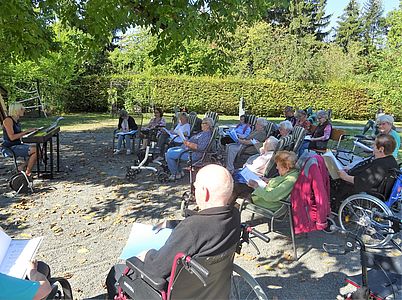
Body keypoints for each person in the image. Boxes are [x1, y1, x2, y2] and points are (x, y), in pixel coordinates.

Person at [106, 164, 240, 298]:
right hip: (211, 287)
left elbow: (155, 269)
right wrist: (171, 224)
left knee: (116, 273)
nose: (194, 191)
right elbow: (208, 227)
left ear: (205, 192)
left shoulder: (192, 228)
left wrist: (147, 255)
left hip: (176, 291)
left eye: (195, 187)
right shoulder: (234, 215)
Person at [333, 134, 398, 210]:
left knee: (331, 182)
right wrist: (349, 169)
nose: (372, 147)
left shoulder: (381, 166)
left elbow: (362, 182)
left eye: (374, 145)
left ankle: (332, 207)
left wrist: (345, 177)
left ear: (381, 149)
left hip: (362, 192)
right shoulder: (389, 160)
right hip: (369, 188)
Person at [1, 103, 37, 176]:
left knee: (39, 150)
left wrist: (30, 132)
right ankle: (27, 174)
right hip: (9, 147)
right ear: (16, 110)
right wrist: (26, 131)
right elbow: (12, 137)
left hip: (17, 144)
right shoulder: (8, 120)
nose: (24, 110)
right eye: (21, 109)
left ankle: (22, 167)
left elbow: (19, 134)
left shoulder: (16, 120)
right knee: (36, 151)